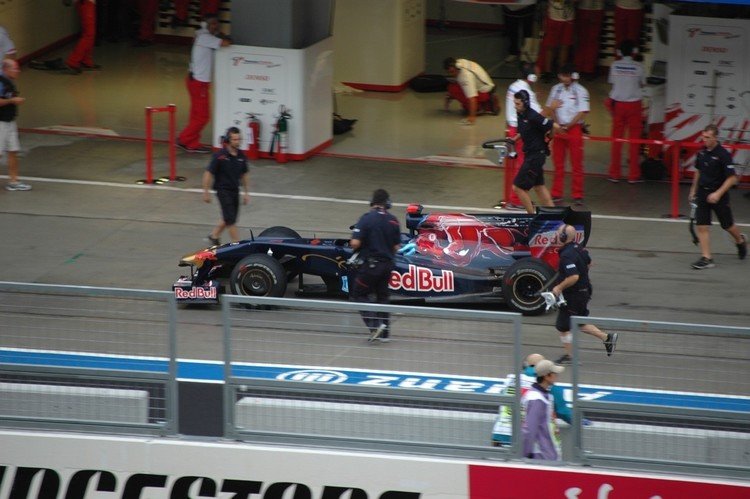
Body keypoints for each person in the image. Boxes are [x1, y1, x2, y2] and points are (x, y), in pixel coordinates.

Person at [551, 224, 617, 364]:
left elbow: (573, 277)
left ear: (563, 237)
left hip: (574, 294)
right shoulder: (580, 249)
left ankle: (570, 357)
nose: (555, 236)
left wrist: (559, 287)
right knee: (578, 321)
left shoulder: (566, 255)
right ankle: (607, 338)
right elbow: (589, 263)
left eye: (557, 234)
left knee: (563, 325)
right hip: (584, 291)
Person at [688, 125, 747, 269]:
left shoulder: (723, 155)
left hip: (718, 194)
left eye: (708, 137)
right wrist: (693, 190)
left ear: (715, 137)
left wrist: (718, 193)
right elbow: (698, 171)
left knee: (727, 225)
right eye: (703, 136)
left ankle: (740, 241)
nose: (705, 140)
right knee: (702, 225)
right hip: (702, 193)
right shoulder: (701, 153)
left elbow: (732, 179)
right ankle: (706, 258)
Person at [350, 189, 402, 343]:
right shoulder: (393, 220)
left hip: (371, 266)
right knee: (383, 297)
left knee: (358, 294)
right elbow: (397, 247)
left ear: (373, 202)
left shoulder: (366, 219)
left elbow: (355, 243)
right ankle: (384, 334)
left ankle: (375, 324)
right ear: (387, 203)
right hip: (387, 266)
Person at [177, 14, 231, 153]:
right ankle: (183, 139)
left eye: (217, 24)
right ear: (206, 25)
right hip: (199, 83)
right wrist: (222, 35)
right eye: (213, 24)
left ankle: (192, 143)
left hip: (194, 80)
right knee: (203, 116)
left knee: (195, 115)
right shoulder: (206, 37)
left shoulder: (201, 34)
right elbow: (226, 43)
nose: (216, 26)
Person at [493, 353, 571, 446]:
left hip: (500, 434)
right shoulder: (549, 386)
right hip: (525, 440)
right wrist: (579, 420)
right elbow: (563, 412)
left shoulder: (510, 380)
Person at [495, 62, 542, 210]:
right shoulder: (525, 91)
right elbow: (538, 113)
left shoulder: (514, 86)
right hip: (521, 130)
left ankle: (516, 198)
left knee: (517, 164)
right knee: (522, 164)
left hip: (512, 128)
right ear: (532, 76)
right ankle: (516, 200)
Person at [545, 63, 590, 205]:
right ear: (559, 76)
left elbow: (582, 111)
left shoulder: (581, 90)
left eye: (567, 76)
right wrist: (558, 125)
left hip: (574, 129)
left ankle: (578, 194)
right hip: (558, 129)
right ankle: (556, 193)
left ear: (572, 75)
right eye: (562, 76)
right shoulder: (555, 90)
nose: (565, 78)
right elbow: (550, 108)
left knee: (577, 163)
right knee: (558, 163)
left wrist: (568, 126)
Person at [510, 89, 558, 214]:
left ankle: (531, 217)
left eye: (518, 104)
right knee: (539, 187)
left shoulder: (533, 116)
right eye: (514, 103)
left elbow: (551, 125)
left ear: (525, 103)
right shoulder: (521, 114)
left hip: (535, 156)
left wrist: (550, 138)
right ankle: (555, 216)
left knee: (518, 187)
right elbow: (525, 130)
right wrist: (514, 139)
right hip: (532, 155)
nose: (515, 106)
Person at [202, 127, 249, 245]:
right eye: (235, 139)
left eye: (239, 139)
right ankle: (236, 243)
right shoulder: (220, 156)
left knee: (230, 216)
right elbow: (208, 173)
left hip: (235, 190)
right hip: (222, 190)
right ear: (228, 140)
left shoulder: (241, 156)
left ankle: (214, 235)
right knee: (230, 219)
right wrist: (206, 192)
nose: (237, 142)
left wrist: (246, 192)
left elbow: (244, 174)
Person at [607, 39, 645, 184]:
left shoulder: (614, 65)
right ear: (634, 52)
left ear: (619, 52)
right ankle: (633, 175)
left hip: (618, 105)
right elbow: (643, 83)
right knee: (634, 141)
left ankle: (614, 174)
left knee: (616, 140)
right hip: (634, 104)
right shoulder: (639, 66)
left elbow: (612, 83)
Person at [521, 359, 564, 460]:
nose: (557, 376)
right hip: (542, 458)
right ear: (546, 376)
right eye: (554, 373)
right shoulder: (536, 399)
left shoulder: (543, 395)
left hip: (546, 456)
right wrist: (526, 455)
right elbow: (529, 430)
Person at [0, 59, 31, 191]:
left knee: (13, 150)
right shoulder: (1, 83)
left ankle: (14, 181)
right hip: (1, 123)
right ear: (6, 69)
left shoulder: (9, 82)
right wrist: (13, 100)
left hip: (10, 121)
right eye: (15, 68)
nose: (18, 71)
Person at [443, 57, 499, 125]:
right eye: (449, 72)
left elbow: (472, 98)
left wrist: (471, 117)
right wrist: (450, 96)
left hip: (484, 92)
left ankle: (481, 107)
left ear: (456, 67)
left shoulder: (465, 76)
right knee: (453, 87)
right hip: (486, 86)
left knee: (453, 89)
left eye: (452, 72)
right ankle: (483, 104)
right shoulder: (460, 62)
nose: (451, 74)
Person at [538, 0, 575, 82]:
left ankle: (561, 71)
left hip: (568, 17)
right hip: (553, 16)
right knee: (550, 45)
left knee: (565, 45)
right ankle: (548, 72)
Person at [573, 0, 604, 80]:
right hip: (589, 9)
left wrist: (592, 12)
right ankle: (585, 69)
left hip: (592, 10)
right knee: (588, 41)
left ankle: (585, 69)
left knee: (589, 41)